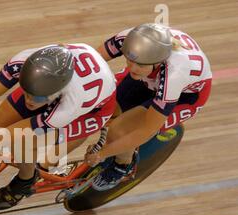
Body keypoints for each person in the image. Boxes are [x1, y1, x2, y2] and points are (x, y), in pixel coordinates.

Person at [0, 43, 117, 210]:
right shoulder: (24, 62)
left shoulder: (72, 102)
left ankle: (26, 179)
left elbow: (20, 133)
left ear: (56, 93)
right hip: (53, 88)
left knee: (21, 143)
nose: (29, 101)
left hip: (92, 112)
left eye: (36, 98)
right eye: (25, 92)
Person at [85, 23, 213, 191]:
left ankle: (123, 166)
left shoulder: (174, 75)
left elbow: (146, 129)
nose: (132, 68)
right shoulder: (130, 39)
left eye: (140, 65)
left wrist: (102, 154)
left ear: (159, 61)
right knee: (106, 104)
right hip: (150, 79)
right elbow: (90, 62)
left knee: (119, 131)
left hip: (185, 96)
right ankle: (122, 144)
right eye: (129, 61)